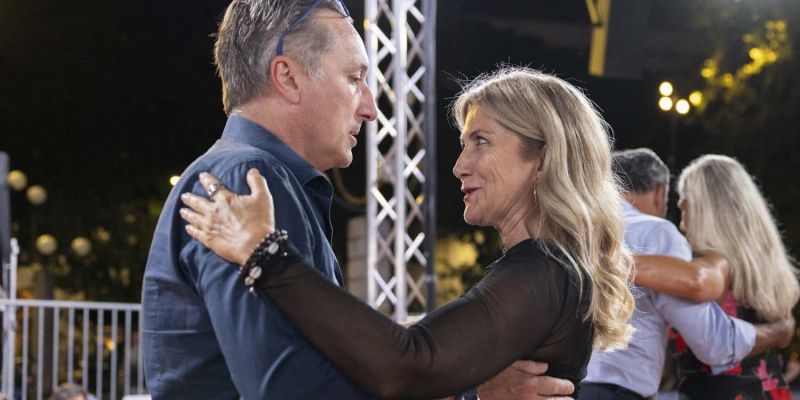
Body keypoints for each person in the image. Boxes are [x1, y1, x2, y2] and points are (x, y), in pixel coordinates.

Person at [142, 1, 572, 399]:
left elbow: (343, 358)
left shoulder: (264, 180)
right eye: (354, 79)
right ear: (287, 77)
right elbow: (293, 391)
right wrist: (465, 391)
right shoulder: (249, 182)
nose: (370, 108)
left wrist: (459, 381)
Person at [178, 66, 637, 399]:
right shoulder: (546, 271)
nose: (460, 166)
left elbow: (407, 364)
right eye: (463, 144)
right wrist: (473, 388)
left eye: (481, 141)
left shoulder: (544, 272)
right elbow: (415, 354)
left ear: (543, 159)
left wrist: (266, 255)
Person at [580, 149, 795, 400]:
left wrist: (595, 260)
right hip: (770, 391)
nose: (681, 223)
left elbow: (699, 284)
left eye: (684, 208)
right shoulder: (771, 269)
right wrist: (778, 333)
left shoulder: (713, 263)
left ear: (706, 211)